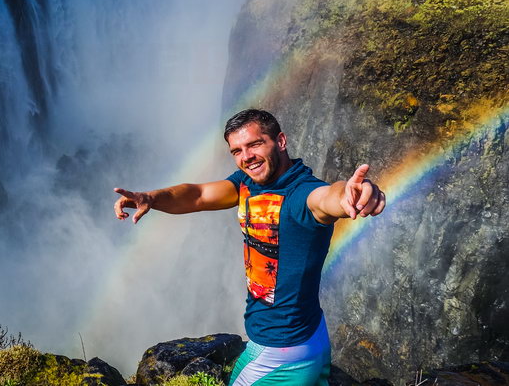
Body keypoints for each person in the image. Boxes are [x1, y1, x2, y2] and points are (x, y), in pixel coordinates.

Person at [114, 109, 385, 386]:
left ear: (280, 141)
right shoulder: (247, 183)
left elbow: (329, 197)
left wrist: (354, 193)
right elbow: (198, 195)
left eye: (255, 144)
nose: (246, 157)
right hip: (311, 332)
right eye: (237, 151)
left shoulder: (301, 195)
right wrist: (150, 198)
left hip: (280, 351)